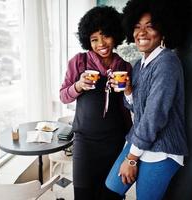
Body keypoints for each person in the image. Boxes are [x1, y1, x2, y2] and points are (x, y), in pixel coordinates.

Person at [105, 0, 189, 199]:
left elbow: (154, 115)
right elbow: (136, 108)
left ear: (163, 31)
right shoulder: (139, 63)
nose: (141, 33)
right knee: (111, 188)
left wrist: (132, 159)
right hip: (140, 141)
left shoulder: (167, 62)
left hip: (162, 149)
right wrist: (128, 91)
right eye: (136, 26)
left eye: (149, 26)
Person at [59, 6, 132, 200]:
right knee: (83, 194)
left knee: (110, 195)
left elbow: (132, 105)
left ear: (115, 35)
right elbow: (64, 96)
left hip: (114, 142)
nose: (101, 43)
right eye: (94, 39)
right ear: (87, 41)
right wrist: (79, 85)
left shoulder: (124, 67)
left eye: (106, 35)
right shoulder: (79, 62)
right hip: (85, 143)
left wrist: (128, 90)